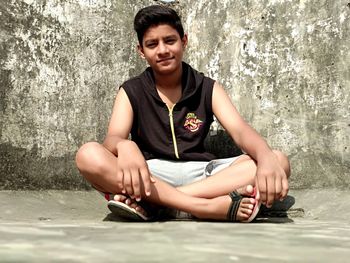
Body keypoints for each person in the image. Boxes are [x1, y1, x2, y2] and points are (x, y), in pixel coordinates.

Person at [75, 5, 290, 222]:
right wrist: (125, 146)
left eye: (170, 41)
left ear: (183, 41)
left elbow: (241, 131)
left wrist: (264, 156)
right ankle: (204, 207)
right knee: (88, 155)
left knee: (278, 161)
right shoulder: (132, 90)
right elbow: (112, 139)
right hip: (151, 175)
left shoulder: (207, 88)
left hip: (204, 175)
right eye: (152, 44)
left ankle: (162, 206)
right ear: (141, 51)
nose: (163, 50)